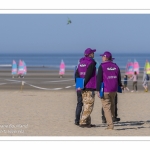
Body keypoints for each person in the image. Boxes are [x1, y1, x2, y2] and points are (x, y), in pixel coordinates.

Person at [96, 51, 123, 130]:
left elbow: (99, 79)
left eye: (102, 56)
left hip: (105, 89)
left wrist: (98, 90)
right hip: (113, 89)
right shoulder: (115, 66)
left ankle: (110, 125)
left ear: (105, 57)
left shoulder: (102, 66)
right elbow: (119, 77)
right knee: (112, 104)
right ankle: (113, 117)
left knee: (106, 107)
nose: (102, 58)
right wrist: (120, 85)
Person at [75, 48, 97, 128]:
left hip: (82, 86)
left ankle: (88, 122)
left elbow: (77, 74)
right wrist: (84, 84)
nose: (94, 54)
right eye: (93, 53)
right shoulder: (91, 62)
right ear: (90, 54)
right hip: (89, 86)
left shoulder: (81, 63)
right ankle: (83, 121)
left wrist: (80, 85)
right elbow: (88, 74)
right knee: (89, 104)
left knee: (86, 104)